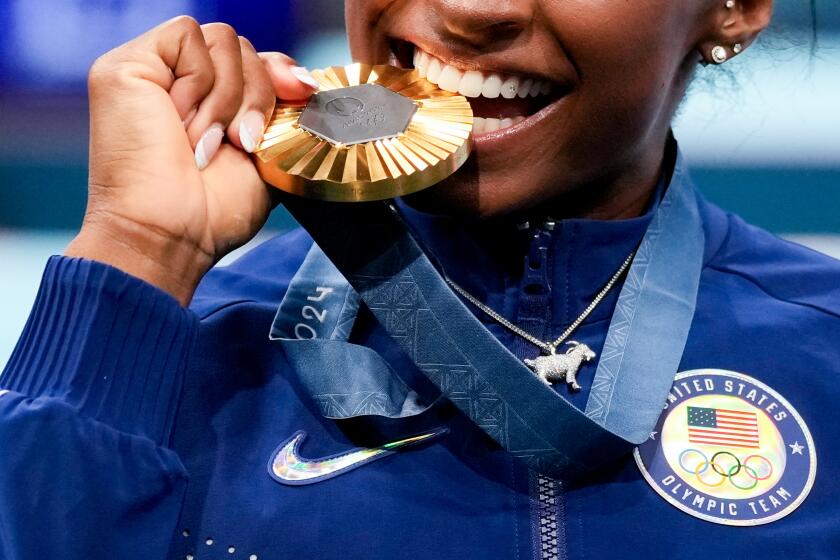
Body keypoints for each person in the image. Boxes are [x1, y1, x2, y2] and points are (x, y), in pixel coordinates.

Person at [1, 1, 837, 558]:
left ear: (735, 6)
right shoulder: (178, 350)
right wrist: (139, 250)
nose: (474, 9)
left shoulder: (824, 349)